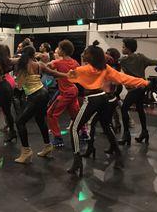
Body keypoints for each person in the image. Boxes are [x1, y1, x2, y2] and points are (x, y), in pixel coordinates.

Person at [64, 42, 150, 177]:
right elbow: (124, 78)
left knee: (74, 128)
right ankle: (117, 152)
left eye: (85, 53)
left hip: (92, 98)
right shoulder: (105, 68)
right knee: (105, 125)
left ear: (91, 56)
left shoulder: (84, 70)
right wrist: (144, 82)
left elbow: (68, 76)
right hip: (104, 98)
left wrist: (51, 68)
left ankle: (77, 160)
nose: (83, 54)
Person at [11, 46, 66, 164]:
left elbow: (19, 86)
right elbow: (53, 72)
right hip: (43, 93)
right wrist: (67, 75)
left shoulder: (24, 66)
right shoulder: (39, 64)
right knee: (40, 120)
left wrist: (14, 80)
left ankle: (26, 151)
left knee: (20, 122)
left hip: (35, 96)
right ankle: (47, 146)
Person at [119, 38, 157, 145]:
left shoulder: (123, 60)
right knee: (140, 108)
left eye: (123, 47)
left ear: (128, 48)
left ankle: (126, 134)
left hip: (134, 89)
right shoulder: (140, 57)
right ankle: (144, 132)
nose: (122, 49)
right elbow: (156, 61)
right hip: (142, 87)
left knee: (124, 109)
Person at [46, 40, 80, 148]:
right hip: (74, 90)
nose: (57, 50)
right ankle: (84, 133)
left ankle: (58, 138)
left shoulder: (58, 62)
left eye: (59, 48)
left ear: (63, 51)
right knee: (76, 115)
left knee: (51, 114)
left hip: (66, 93)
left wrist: (41, 61)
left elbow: (46, 67)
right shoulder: (75, 62)